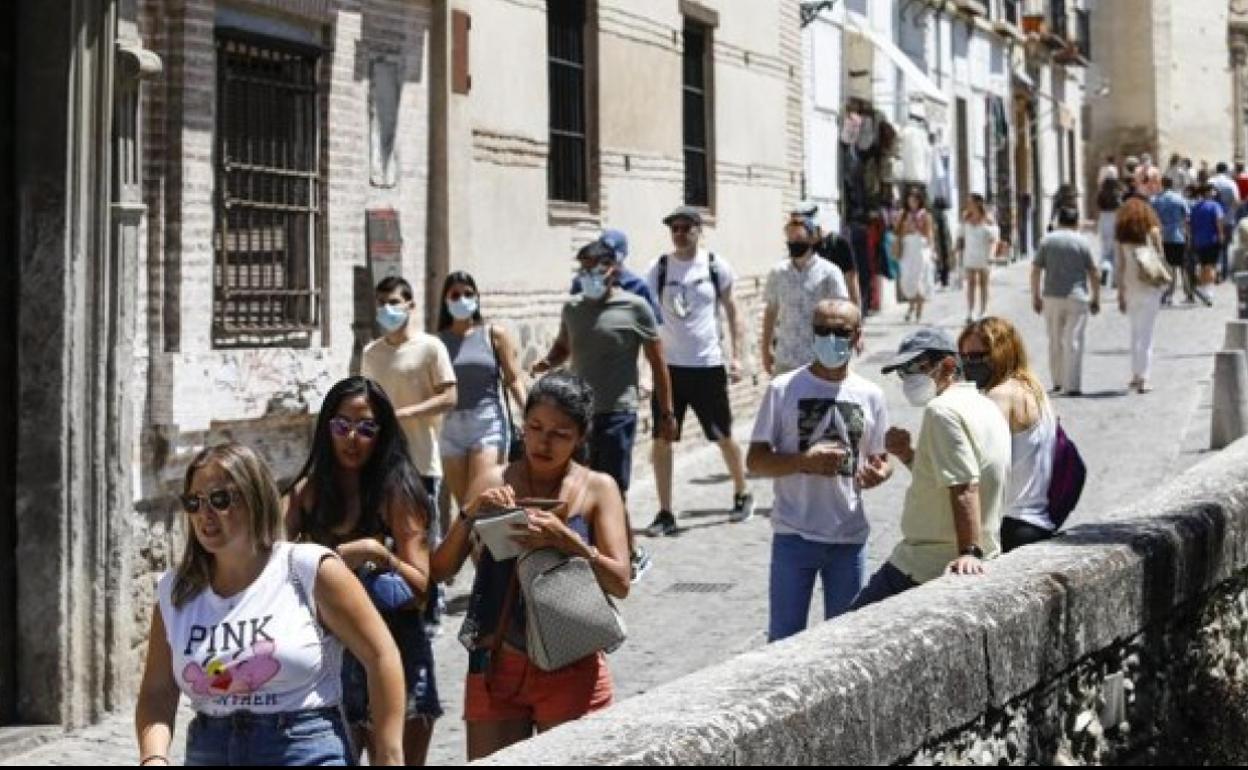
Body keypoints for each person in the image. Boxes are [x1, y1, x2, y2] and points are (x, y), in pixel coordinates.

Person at [136, 443, 405, 767]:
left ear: (255, 499)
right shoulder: (176, 591)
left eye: (220, 500)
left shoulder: (308, 568)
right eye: (194, 502)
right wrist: (153, 757)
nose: (204, 514)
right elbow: (157, 690)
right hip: (211, 749)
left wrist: (389, 754)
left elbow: (380, 654)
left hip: (302, 746)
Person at [430, 372, 630, 760]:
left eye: (560, 433)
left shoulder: (598, 488)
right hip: (497, 663)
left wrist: (569, 542)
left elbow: (620, 582)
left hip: (572, 663)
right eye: (535, 427)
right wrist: (471, 513)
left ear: (580, 438)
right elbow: (440, 570)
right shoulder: (493, 478)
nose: (543, 441)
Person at [285, 377, 442, 764]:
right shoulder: (306, 494)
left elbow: (422, 589)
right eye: (342, 425)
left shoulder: (397, 492)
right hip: (330, 657)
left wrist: (379, 555)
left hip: (396, 649)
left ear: (382, 433)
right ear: (327, 429)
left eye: (366, 427)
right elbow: (273, 564)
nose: (352, 438)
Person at [533, 240, 677, 582]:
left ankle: (628, 552)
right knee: (577, 486)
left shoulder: (636, 307)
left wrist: (667, 412)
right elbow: (563, 346)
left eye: (594, 266)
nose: (588, 273)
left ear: (612, 268)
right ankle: (586, 550)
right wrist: (547, 363)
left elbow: (658, 363)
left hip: (618, 411)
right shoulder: (573, 308)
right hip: (579, 414)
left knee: (613, 488)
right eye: (583, 267)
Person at [748, 299, 891, 641]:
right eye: (822, 330)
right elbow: (755, 461)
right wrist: (802, 462)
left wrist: (879, 474)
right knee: (783, 642)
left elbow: (880, 460)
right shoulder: (784, 389)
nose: (830, 338)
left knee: (844, 643)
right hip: (794, 534)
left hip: (848, 538)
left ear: (857, 336)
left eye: (839, 331)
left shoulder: (870, 395)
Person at [850, 328, 1011, 609]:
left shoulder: (942, 411)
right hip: (980, 552)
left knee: (848, 631)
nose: (909, 378)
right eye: (904, 372)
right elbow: (951, 477)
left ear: (948, 365)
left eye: (916, 368)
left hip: (926, 563)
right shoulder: (985, 405)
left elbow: (965, 486)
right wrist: (909, 455)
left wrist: (969, 552)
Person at [642, 206, 753, 537]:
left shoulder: (716, 266)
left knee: (722, 436)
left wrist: (738, 357)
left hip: (707, 365)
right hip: (669, 370)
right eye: (673, 228)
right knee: (663, 440)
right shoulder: (658, 269)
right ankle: (665, 512)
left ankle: (742, 491)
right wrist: (647, 372)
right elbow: (645, 318)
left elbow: (734, 311)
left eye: (685, 227)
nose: (678, 233)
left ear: (698, 229)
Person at [362, 275, 457, 632]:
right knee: (387, 536)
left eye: (395, 302)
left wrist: (405, 414)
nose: (388, 309)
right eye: (382, 302)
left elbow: (449, 396)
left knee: (423, 536)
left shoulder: (430, 348)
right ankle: (396, 607)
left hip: (420, 458)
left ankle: (432, 604)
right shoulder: (372, 353)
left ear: (410, 305)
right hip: (381, 462)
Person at [959, 318, 1058, 551]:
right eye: (964, 357)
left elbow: (980, 465)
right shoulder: (1034, 389)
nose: (969, 364)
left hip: (1009, 525)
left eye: (977, 356)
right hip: (1036, 522)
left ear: (1001, 352)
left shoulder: (1000, 396)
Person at [436, 272, 528, 509]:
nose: (462, 300)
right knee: (464, 505)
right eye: (455, 295)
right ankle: (470, 546)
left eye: (468, 294)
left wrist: (530, 415)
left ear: (477, 298)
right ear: (445, 300)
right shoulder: (437, 342)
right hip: (451, 425)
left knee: (481, 497)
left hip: (486, 422)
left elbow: (513, 379)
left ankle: (485, 545)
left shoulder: (493, 335)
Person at [761, 213, 850, 376]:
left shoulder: (829, 272)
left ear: (811, 239)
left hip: (819, 359)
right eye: (790, 238)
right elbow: (771, 312)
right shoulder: (778, 272)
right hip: (786, 358)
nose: (794, 242)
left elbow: (843, 314)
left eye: (799, 238)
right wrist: (765, 348)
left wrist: (841, 353)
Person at [1031, 207, 1102, 396]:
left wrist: (1035, 296)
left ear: (1058, 220)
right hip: (1077, 297)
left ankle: (1058, 381)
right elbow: (1093, 272)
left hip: (1052, 296)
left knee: (1055, 340)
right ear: (1076, 221)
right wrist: (1096, 298)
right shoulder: (1082, 242)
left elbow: (1036, 270)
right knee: (1074, 340)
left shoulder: (1047, 241)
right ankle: (1073, 385)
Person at [1114, 198, 1168, 394]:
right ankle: (1144, 377)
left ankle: (1136, 375)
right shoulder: (1152, 232)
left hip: (1130, 287)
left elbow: (1119, 268)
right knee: (1147, 334)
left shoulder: (1121, 238)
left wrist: (1120, 293)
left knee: (1135, 331)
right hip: (1150, 286)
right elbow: (1160, 257)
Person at [570, 228, 663, 322]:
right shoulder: (581, 282)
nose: (609, 265)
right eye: (604, 260)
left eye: (612, 260)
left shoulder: (637, 286)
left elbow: (654, 322)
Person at [792, 201, 861, 307]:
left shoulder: (838, 245)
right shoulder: (799, 247)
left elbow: (851, 283)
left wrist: (856, 315)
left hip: (834, 313)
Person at [1150, 176, 1196, 305]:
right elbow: (1187, 216)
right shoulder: (1179, 198)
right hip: (1178, 236)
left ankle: (1168, 294)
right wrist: (1188, 233)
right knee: (1184, 267)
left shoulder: (1156, 200)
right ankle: (1189, 294)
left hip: (1164, 236)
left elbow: (1153, 218)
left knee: (1168, 267)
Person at [956, 193, 1000, 324]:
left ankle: (984, 310)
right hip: (970, 253)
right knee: (970, 283)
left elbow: (994, 238)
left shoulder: (988, 218)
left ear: (977, 203)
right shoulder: (965, 218)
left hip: (984, 254)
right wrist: (957, 249)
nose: (968, 205)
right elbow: (961, 235)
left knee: (984, 283)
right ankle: (970, 312)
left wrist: (991, 254)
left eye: (970, 202)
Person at [896, 187, 935, 323]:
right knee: (907, 279)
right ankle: (911, 307)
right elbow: (898, 232)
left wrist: (932, 251)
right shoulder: (903, 215)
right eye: (910, 199)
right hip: (907, 249)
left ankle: (917, 312)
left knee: (919, 280)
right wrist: (905, 227)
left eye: (915, 200)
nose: (912, 202)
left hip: (920, 249)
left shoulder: (925, 215)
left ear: (920, 201)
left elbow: (929, 234)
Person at [1190, 183, 1226, 297]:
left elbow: (1190, 223)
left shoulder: (1195, 207)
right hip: (1212, 238)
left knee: (1203, 264)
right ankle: (1208, 289)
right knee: (1210, 265)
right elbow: (1218, 221)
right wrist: (1221, 235)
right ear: (1208, 192)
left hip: (1198, 239)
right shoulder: (1215, 206)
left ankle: (1201, 286)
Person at [1211, 162, 1241, 281]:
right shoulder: (1231, 183)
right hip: (1228, 220)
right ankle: (1224, 273)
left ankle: (1214, 271)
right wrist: (1229, 212)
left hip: (1212, 219)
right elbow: (1237, 201)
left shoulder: (1211, 182)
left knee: (1213, 246)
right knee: (1225, 247)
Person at [1096, 177, 1122, 288]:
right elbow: (1120, 207)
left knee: (1105, 251)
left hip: (1103, 219)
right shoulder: (1117, 195)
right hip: (1114, 219)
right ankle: (1115, 281)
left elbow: (1097, 207)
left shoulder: (1101, 194)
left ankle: (1105, 269)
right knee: (1115, 252)